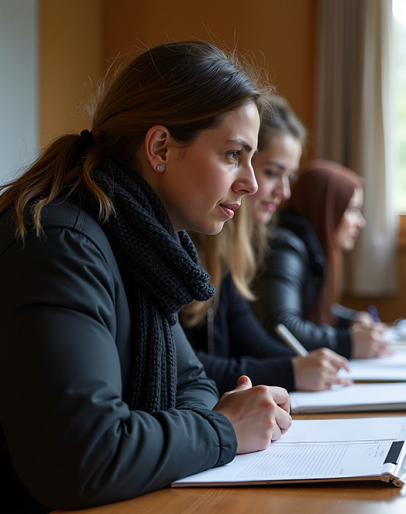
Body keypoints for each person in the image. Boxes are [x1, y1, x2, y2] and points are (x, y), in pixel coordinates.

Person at [0, 41, 293, 513]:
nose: (251, 183)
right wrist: (222, 430)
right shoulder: (60, 244)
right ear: (160, 147)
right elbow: (83, 458)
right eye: (233, 155)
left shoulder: (142, 245)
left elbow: (191, 383)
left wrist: (203, 425)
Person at [182, 97, 351, 394]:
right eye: (273, 172)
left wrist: (307, 364)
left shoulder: (224, 251)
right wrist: (291, 370)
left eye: (290, 177)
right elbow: (184, 368)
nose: (283, 192)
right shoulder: (185, 243)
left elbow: (253, 340)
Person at [253, 160, 390, 359]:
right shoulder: (285, 249)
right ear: (325, 210)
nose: (361, 222)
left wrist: (351, 320)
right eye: (351, 210)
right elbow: (281, 325)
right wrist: (348, 342)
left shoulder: (310, 246)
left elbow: (307, 303)